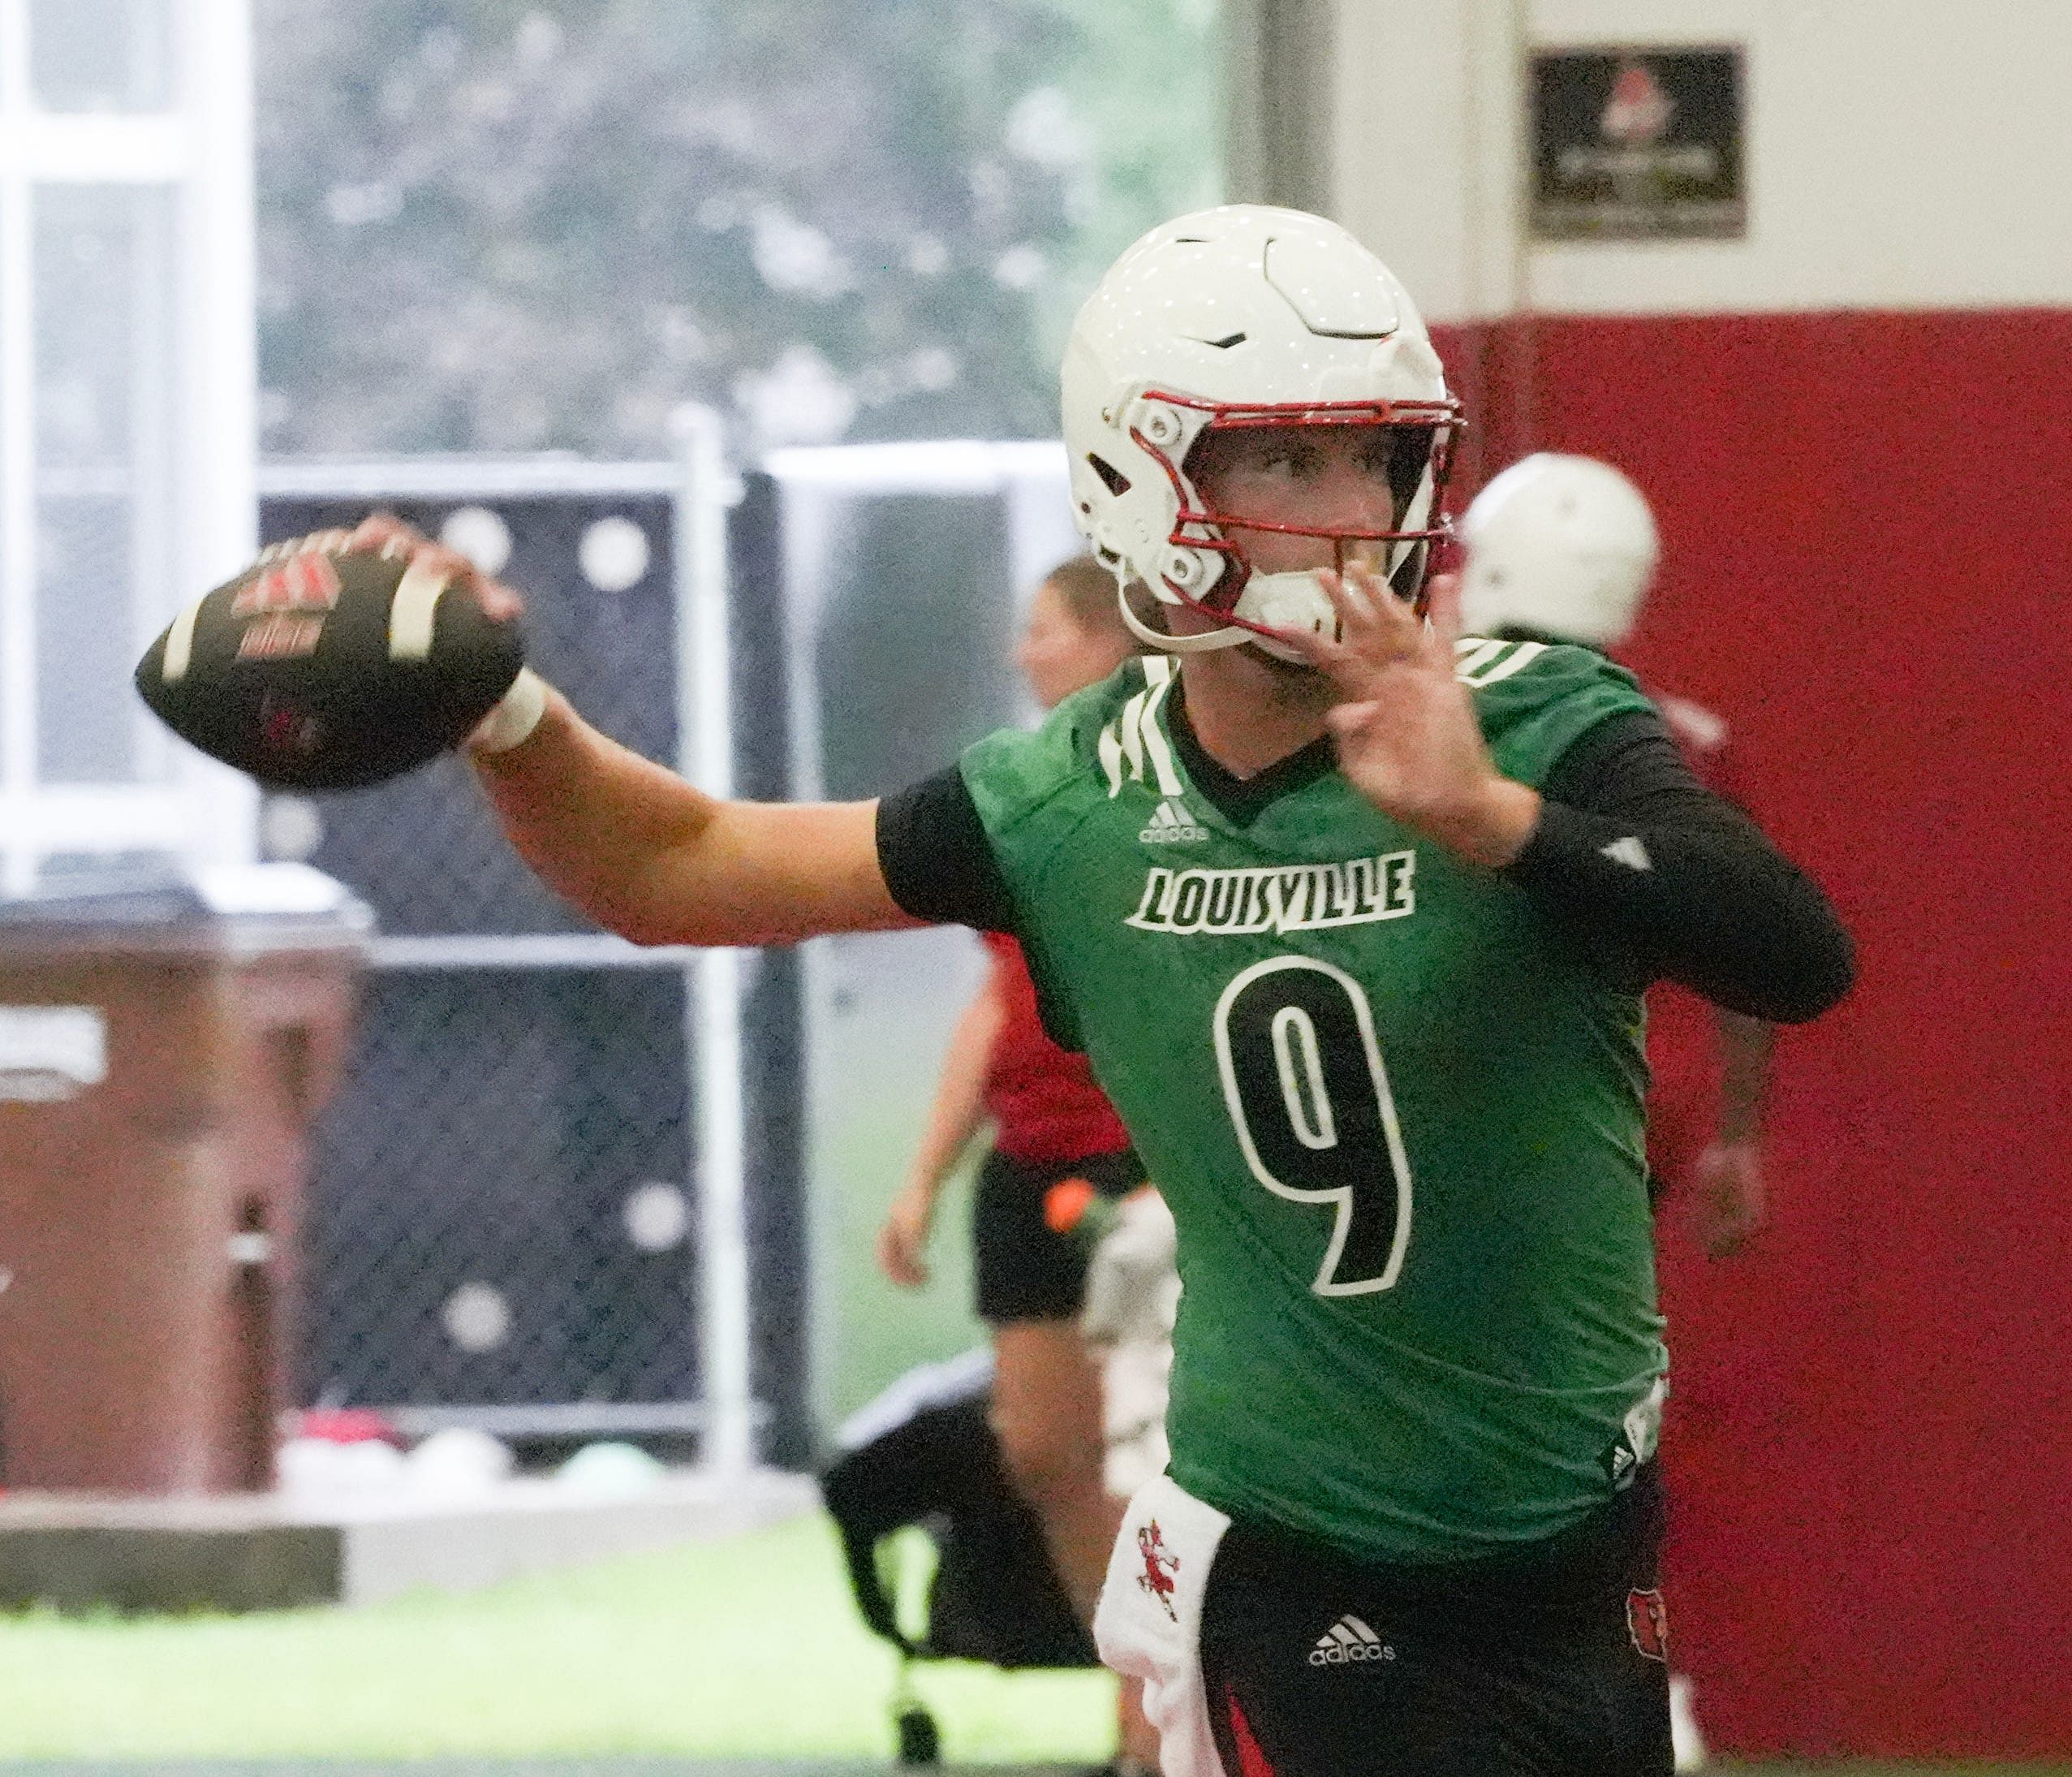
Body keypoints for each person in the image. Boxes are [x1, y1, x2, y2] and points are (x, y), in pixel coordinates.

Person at [430, 204, 1850, 1777]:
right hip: (1302, 1555)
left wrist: (1492, 821)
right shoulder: (1073, 798)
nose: (1354, 506)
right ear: (1145, 477)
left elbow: (1793, 947)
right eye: (1288, 463)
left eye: (1377, 457)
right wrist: (499, 703)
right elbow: (679, 862)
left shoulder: (1530, 717)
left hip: (1577, 1547)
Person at [875, 552, 1161, 1777]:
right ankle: (1130, 1686)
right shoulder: (1027, 794)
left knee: (1151, 1449)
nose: (1020, 654)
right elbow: (996, 1001)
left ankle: (1162, 1721)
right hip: (1028, 1166)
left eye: (1041, 630)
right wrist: (925, 1175)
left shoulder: (1166, 790)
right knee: (1045, 1456)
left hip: (1142, 1167)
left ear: (1106, 642)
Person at [1458, 451, 1770, 1259]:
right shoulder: (1688, 741)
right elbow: (1743, 953)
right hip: (1652, 1087)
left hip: (1497, 1081)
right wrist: (1733, 1135)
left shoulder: (1443, 732)